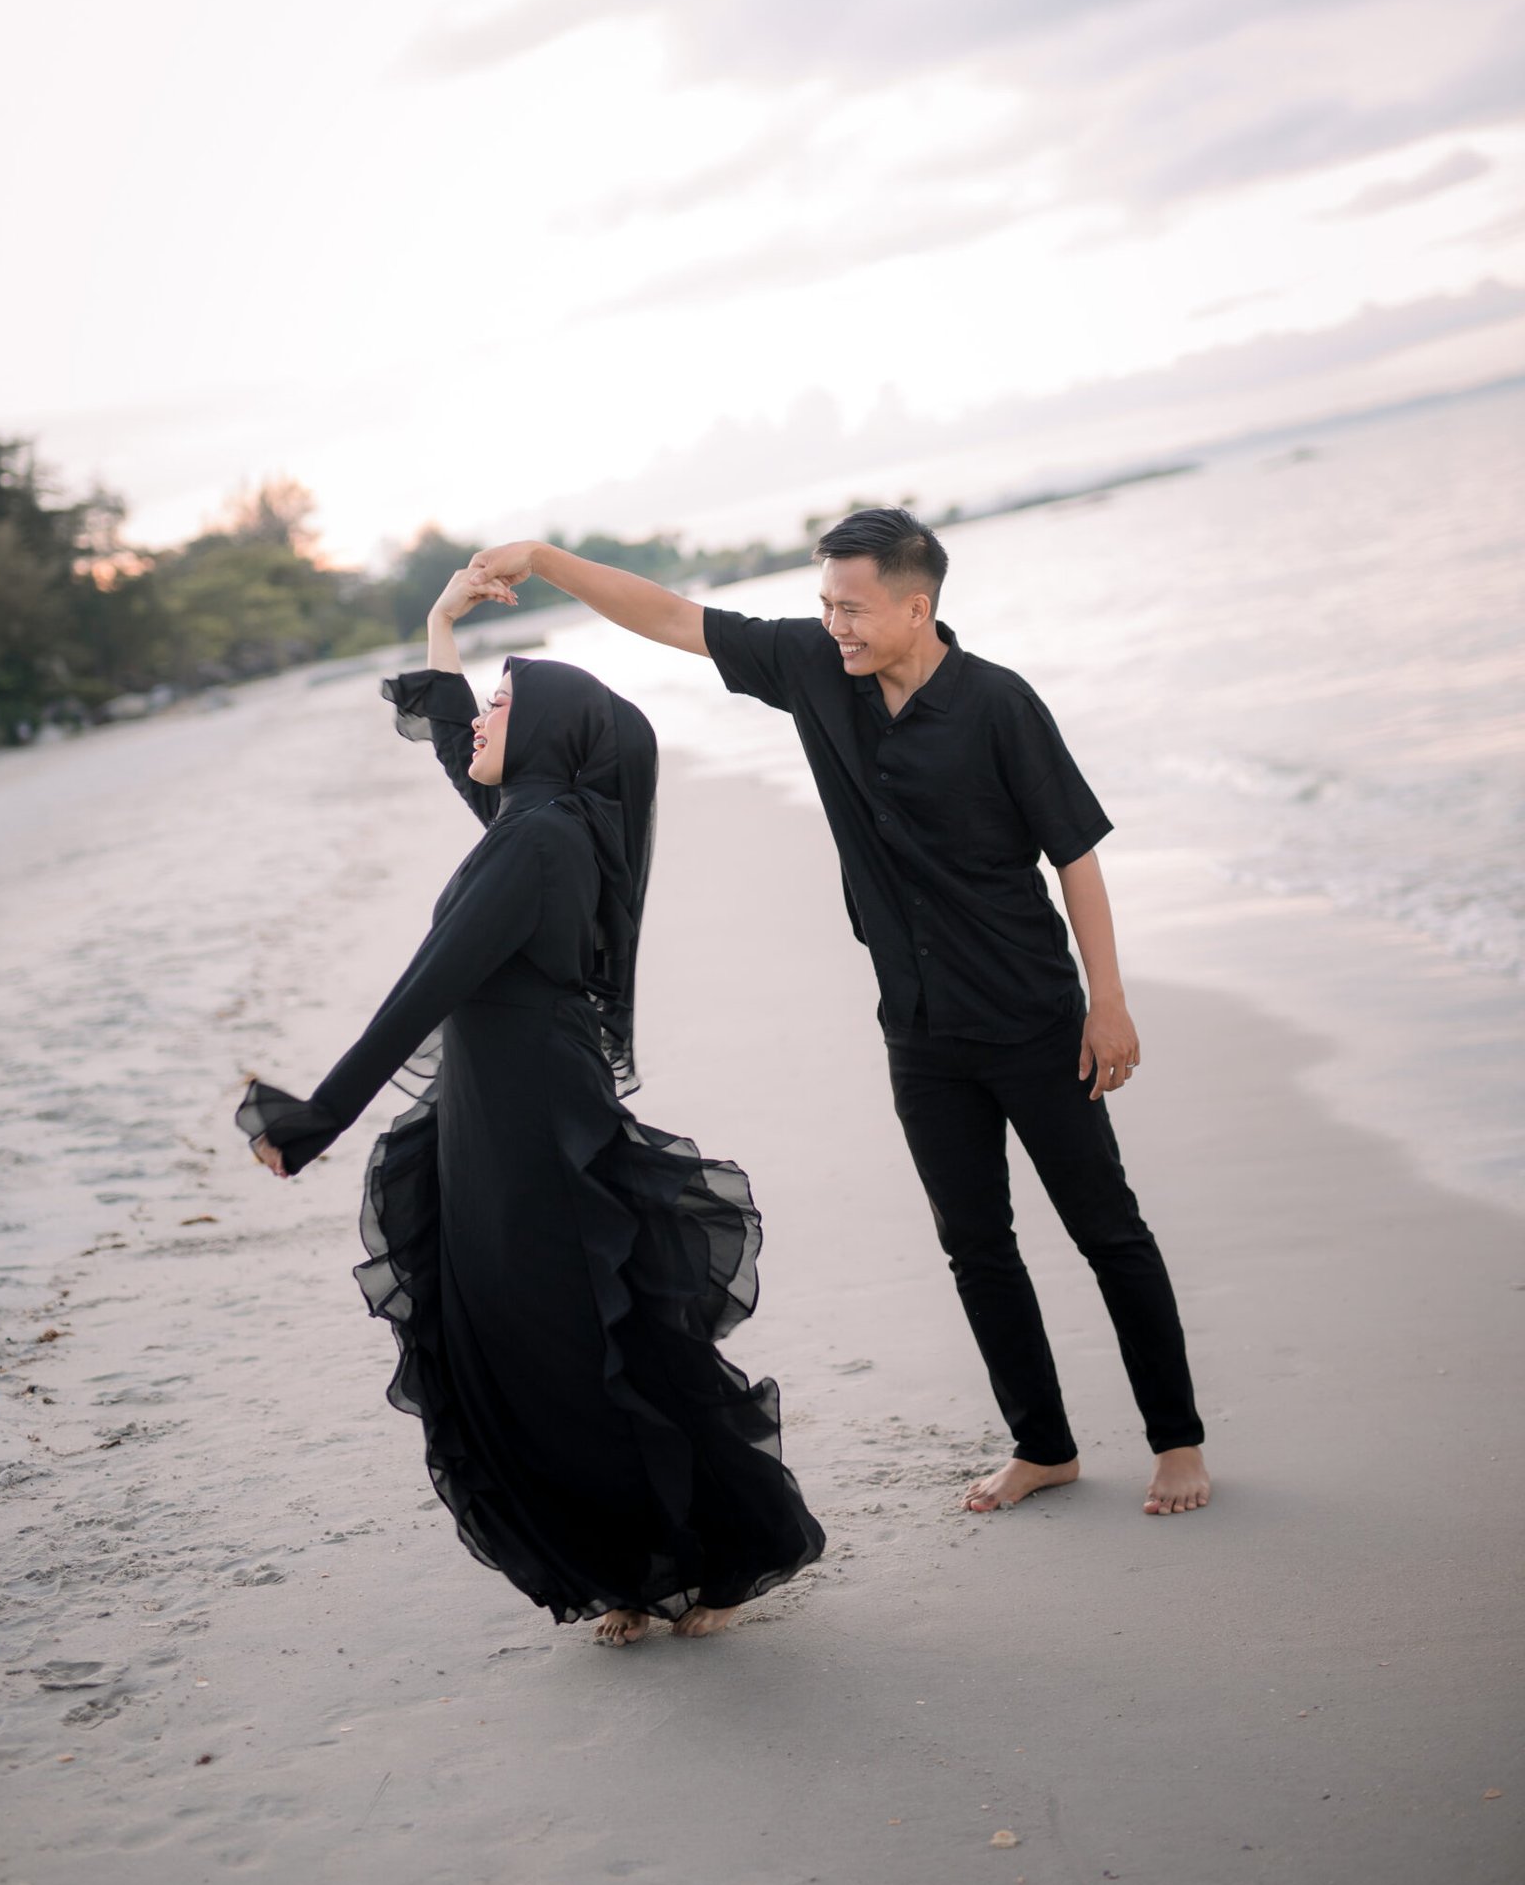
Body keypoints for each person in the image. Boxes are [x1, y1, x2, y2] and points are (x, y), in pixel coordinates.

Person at [468, 511, 1210, 1518]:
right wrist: (546, 560)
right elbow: (675, 619)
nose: (835, 626)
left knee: (1106, 1232)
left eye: (852, 609)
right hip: (919, 1029)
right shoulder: (815, 669)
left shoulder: (999, 705)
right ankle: (1043, 1447)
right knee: (975, 1246)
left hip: (1033, 1018)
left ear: (917, 606)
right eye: (824, 606)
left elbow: (1074, 853)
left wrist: (1107, 1003)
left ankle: (1177, 1443)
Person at [237, 562, 825, 1643]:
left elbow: (427, 987)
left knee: (577, 1345)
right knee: (535, 1346)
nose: (480, 719)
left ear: (549, 733)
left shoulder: (543, 839)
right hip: (493, 1114)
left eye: (503, 704)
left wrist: (316, 1118)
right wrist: (441, 622)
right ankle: (632, 1569)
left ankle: (708, 1560)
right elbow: (458, 743)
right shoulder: (537, 818)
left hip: (535, 1125)